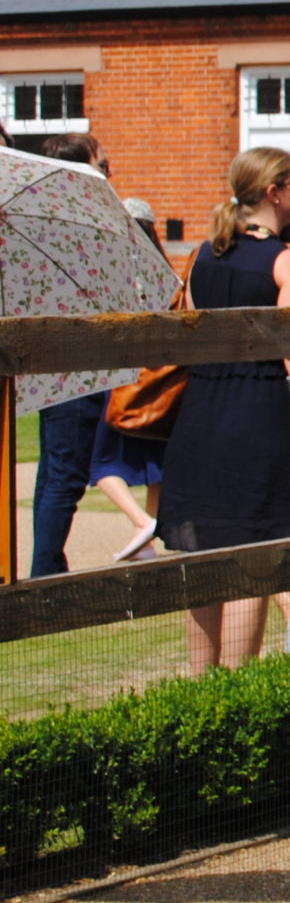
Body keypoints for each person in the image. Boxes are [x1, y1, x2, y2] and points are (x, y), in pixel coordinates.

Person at [157, 148, 290, 670]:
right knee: (253, 561)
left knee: (206, 559)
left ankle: (203, 688)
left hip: (202, 413)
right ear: (275, 191)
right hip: (260, 415)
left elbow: (192, 332)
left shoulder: (201, 256)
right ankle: (240, 691)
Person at [26, 134, 116, 578]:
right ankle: (45, 570)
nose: (108, 174)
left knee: (54, 472)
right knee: (65, 475)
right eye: (103, 166)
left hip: (51, 369)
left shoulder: (39, 224)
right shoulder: (81, 231)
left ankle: (47, 563)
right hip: (75, 370)